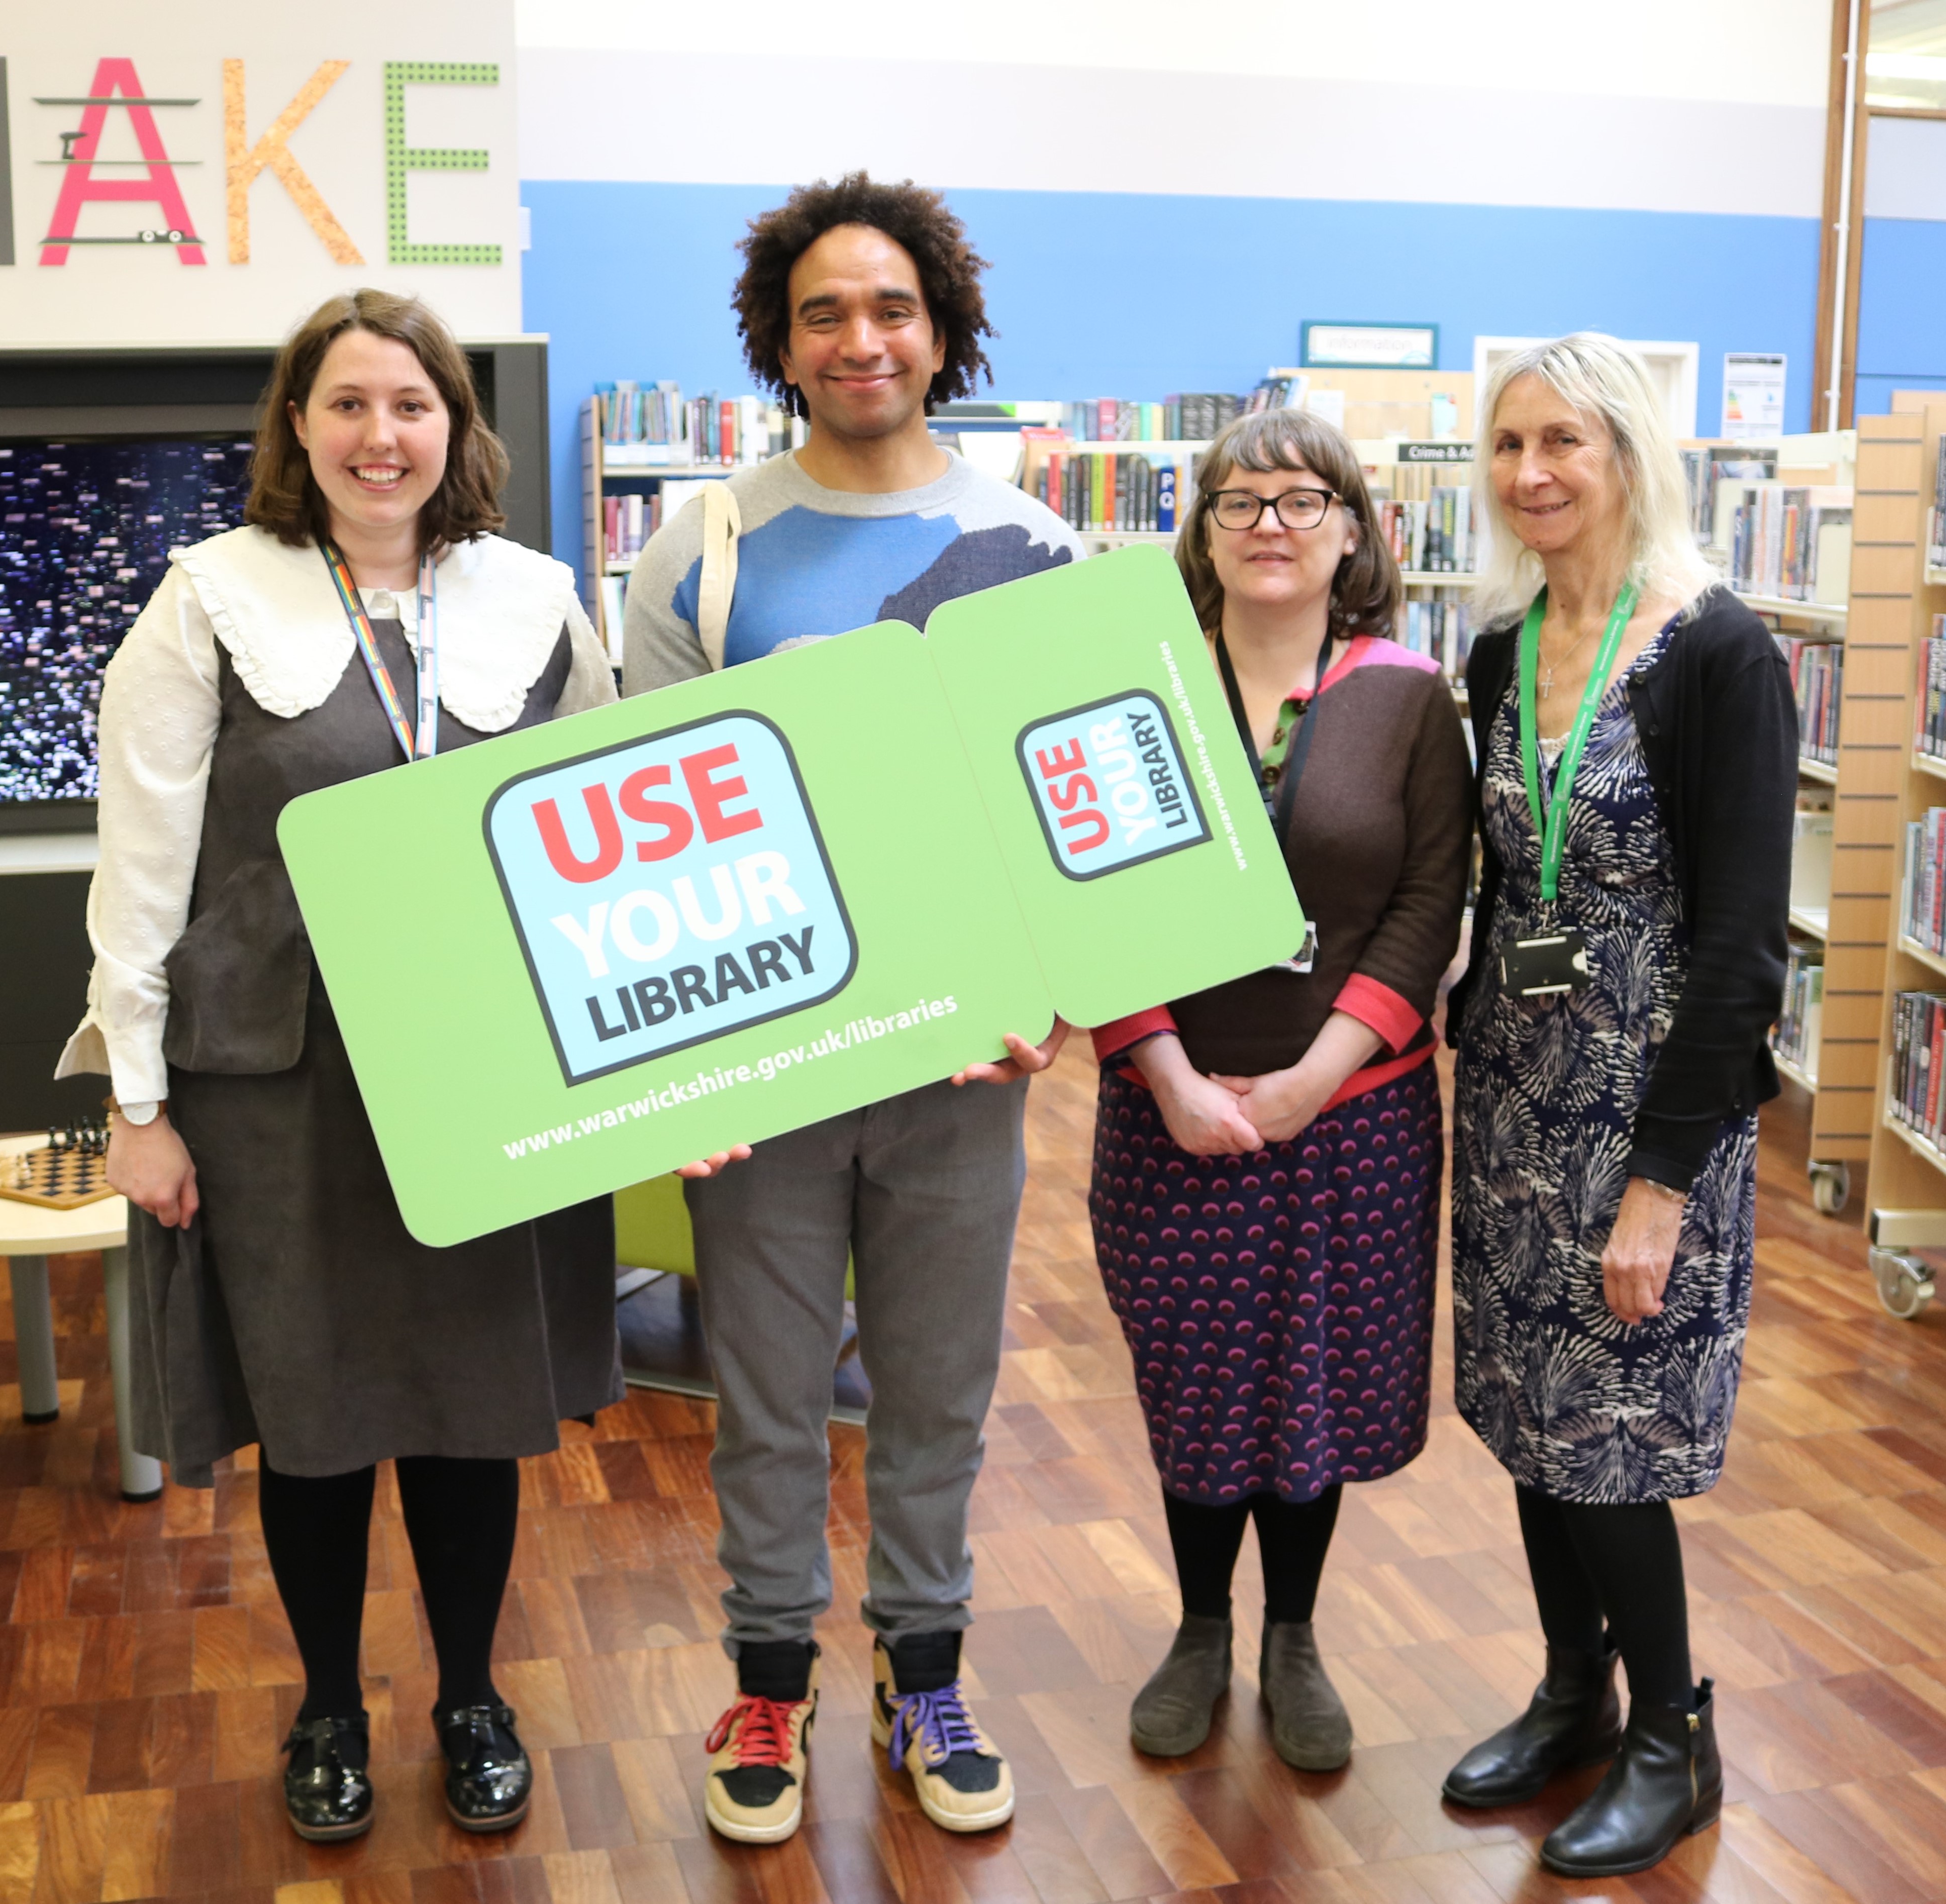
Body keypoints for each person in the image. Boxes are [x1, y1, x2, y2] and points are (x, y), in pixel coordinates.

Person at [60, 290, 621, 1845]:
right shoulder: (207, 597)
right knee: (312, 1414)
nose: (384, 436)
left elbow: (601, 844)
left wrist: (637, 1076)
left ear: (458, 426)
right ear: (297, 429)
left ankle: (468, 1692)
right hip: (279, 1088)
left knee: (466, 1403)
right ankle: (323, 1697)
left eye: (414, 404)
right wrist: (139, 1104)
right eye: (350, 405)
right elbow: (142, 859)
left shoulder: (534, 597)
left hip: (484, 1074)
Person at [622, 173, 1081, 1846]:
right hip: (764, 1068)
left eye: (889, 306)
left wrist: (1045, 997)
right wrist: (684, 1067)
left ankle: (923, 1667)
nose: (860, 336)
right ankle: (765, 1672)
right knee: (762, 1386)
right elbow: (650, 827)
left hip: (965, 1070)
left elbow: (1065, 816)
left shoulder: (1038, 548)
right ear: (781, 340)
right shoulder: (706, 550)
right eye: (825, 310)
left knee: (936, 1385)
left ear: (940, 329)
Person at [1439, 334, 1793, 1878]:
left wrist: (1661, 1180)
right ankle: (1571, 1690)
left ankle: (1672, 1733)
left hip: (1653, 1115)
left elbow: (1740, 945)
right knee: (1532, 1419)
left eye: (1564, 442)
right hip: (1517, 1096)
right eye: (1509, 443)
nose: (1533, 472)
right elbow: (1507, 883)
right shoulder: (1498, 651)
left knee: (1616, 1438)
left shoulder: (1719, 654)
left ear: (1629, 455)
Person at [1087, 408, 1472, 1773]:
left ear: (1354, 529)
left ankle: (1292, 1633)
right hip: (1165, 1111)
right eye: (1236, 500)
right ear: (1198, 529)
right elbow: (1084, 894)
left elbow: (1431, 896)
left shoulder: (1409, 696)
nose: (1268, 522)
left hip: (1352, 1118)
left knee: (1307, 1383)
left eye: (1302, 499)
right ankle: (1198, 1626)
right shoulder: (1133, 686)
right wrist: (1168, 1069)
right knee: (1196, 1379)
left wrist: (1321, 1071)